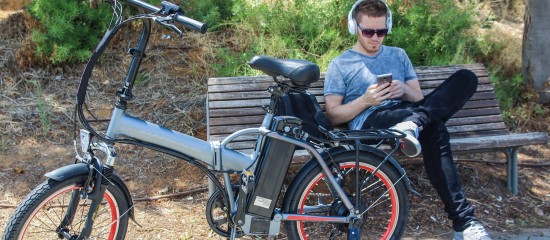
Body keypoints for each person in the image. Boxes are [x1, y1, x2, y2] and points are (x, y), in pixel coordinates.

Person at [323, 0, 492, 239]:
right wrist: (365, 101)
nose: (375, 37)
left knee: (466, 78)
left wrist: (403, 88)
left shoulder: (398, 55)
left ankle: (413, 124)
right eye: (368, 31)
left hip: (407, 113)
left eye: (381, 31)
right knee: (435, 127)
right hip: (372, 120)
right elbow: (332, 114)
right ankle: (464, 224)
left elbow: (419, 97)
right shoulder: (341, 64)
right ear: (354, 27)